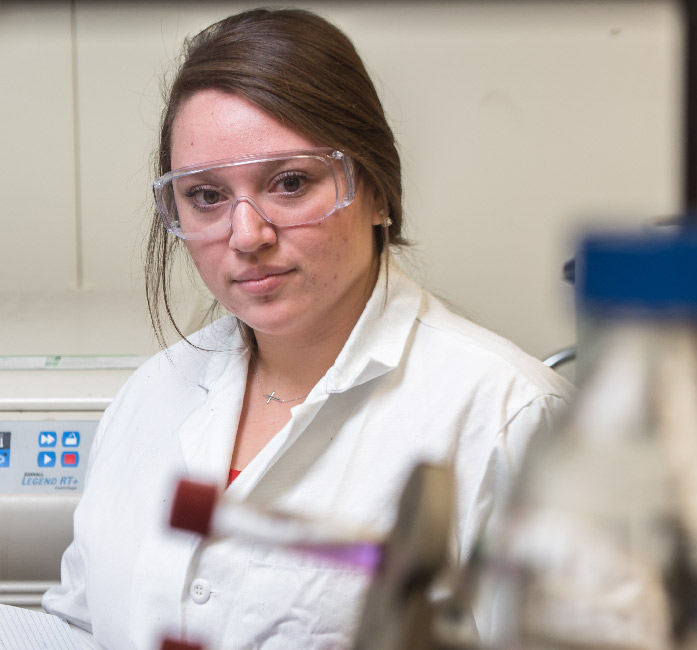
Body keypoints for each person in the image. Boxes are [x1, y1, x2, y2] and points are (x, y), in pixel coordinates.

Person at [42, 8, 573, 650]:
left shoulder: (505, 416)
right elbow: (80, 624)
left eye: (290, 183)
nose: (247, 235)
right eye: (206, 196)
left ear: (376, 191)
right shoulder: (152, 394)